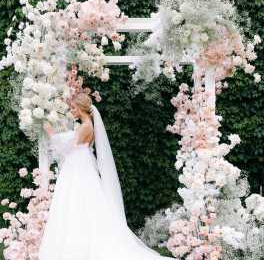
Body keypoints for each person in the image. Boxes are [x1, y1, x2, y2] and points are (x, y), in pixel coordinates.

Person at [38, 92, 174, 260]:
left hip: (79, 165)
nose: (71, 111)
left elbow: (69, 146)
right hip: (79, 163)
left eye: (73, 108)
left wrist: (51, 133)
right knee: (77, 201)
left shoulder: (86, 126)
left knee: (79, 201)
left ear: (81, 108)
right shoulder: (85, 125)